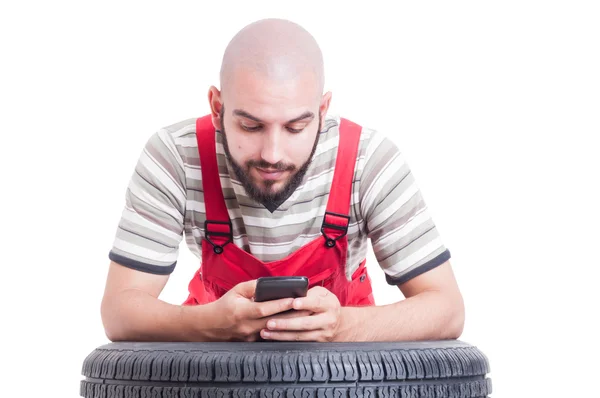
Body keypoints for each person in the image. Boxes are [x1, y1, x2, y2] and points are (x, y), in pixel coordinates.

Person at [100, 18, 465, 343]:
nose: (272, 153)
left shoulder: (368, 161)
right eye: (250, 125)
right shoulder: (176, 156)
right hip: (216, 366)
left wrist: (341, 327)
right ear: (216, 108)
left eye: (295, 127)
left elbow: (447, 308)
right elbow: (119, 312)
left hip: (346, 373)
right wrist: (209, 324)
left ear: (322, 112)